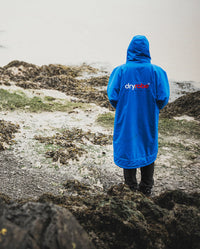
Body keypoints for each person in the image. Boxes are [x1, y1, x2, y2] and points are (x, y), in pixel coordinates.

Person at [107, 35, 170, 196]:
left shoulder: (120, 71)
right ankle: (146, 187)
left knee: (128, 147)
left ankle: (130, 187)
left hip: (127, 118)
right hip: (147, 117)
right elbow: (163, 97)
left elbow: (113, 96)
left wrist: (124, 106)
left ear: (130, 50)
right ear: (147, 51)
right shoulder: (157, 72)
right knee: (146, 146)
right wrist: (153, 107)